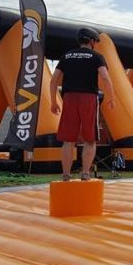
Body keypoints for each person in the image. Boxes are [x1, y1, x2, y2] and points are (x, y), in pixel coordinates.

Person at [49, 27, 115, 181]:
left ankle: (66, 175)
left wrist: (53, 101)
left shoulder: (67, 56)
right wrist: (111, 97)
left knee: (68, 140)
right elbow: (105, 77)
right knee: (90, 139)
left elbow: (53, 80)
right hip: (88, 98)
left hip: (69, 97)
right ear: (92, 41)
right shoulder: (97, 56)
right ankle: (85, 173)